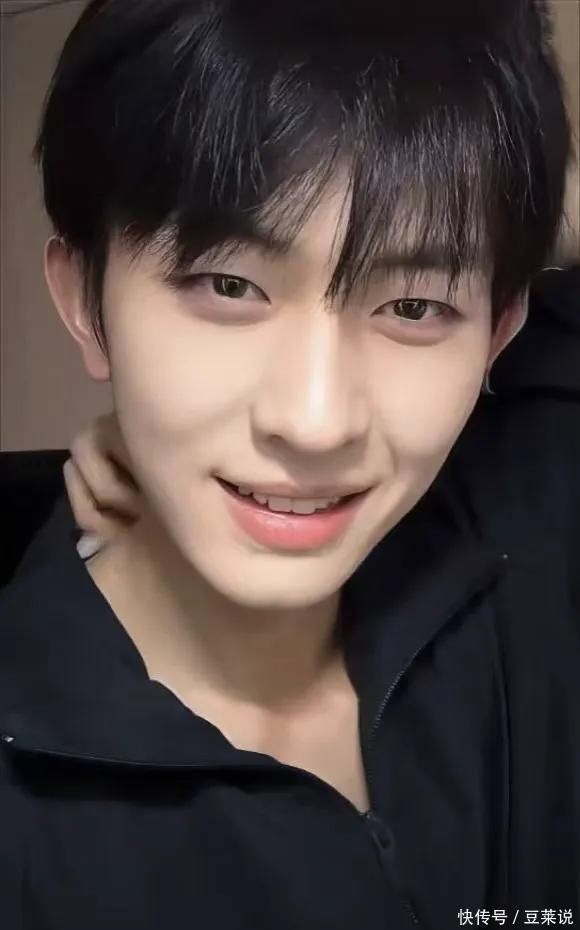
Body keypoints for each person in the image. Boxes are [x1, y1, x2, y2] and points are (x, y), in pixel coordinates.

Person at [0, 1, 578, 927]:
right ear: (84, 302)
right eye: (228, 286)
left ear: (500, 332)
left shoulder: (527, 542)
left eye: (415, 307)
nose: (314, 422)